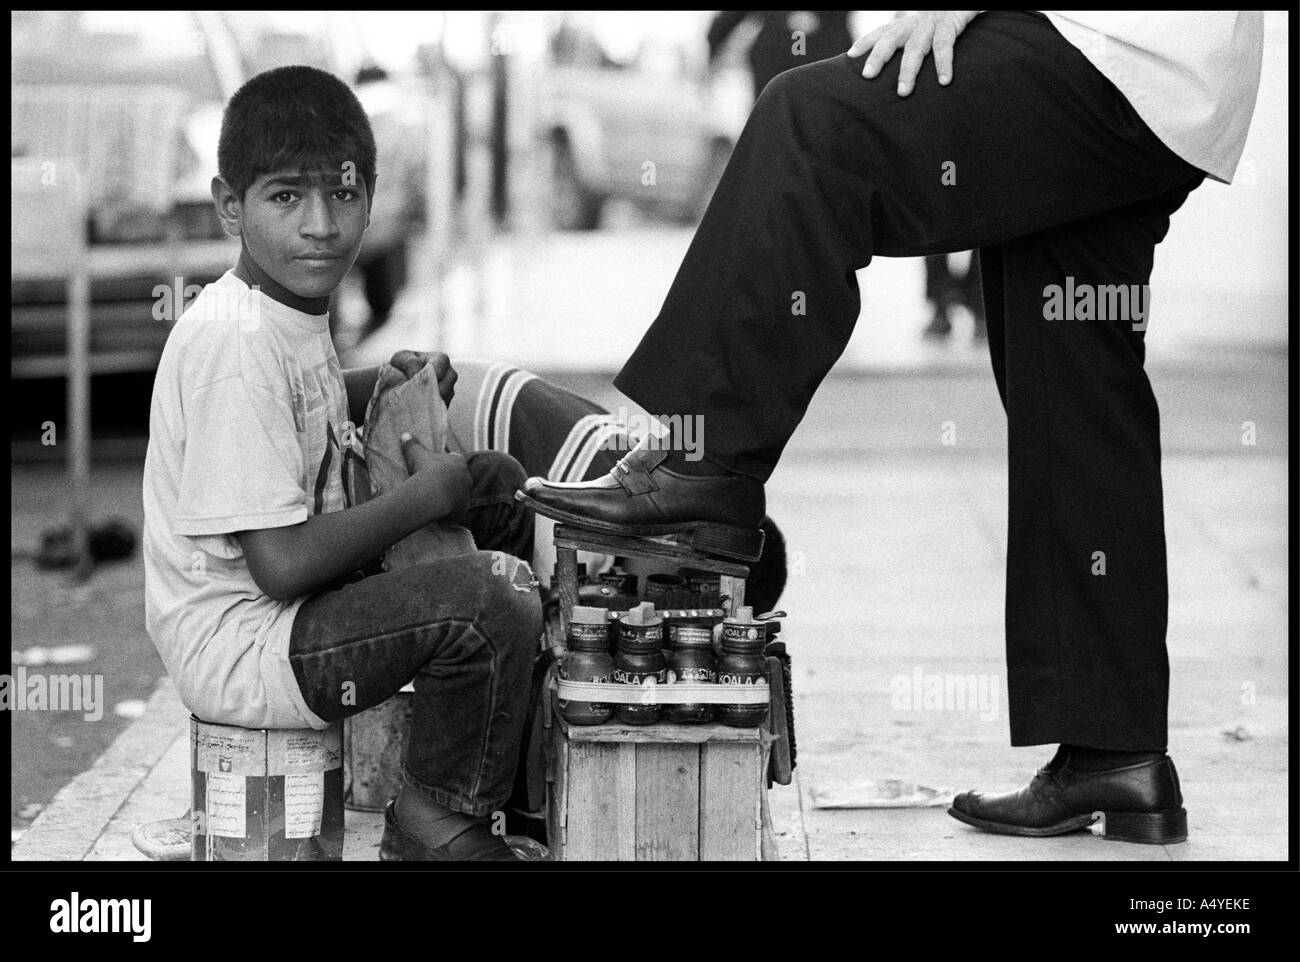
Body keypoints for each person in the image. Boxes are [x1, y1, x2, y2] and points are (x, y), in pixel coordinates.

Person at [519, 11, 1265, 844]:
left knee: (814, 124)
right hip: (1172, 76)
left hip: (1116, 48)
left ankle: (704, 467)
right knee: (1077, 387)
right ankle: (1114, 755)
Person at [142, 65, 541, 861]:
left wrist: (390, 383)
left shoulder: (285, 310)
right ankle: (436, 812)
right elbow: (283, 565)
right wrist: (425, 495)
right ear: (230, 205)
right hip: (247, 644)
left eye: (344, 196)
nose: (321, 225)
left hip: (290, 614)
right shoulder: (235, 343)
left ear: (371, 196)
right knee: (489, 597)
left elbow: (302, 405)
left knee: (496, 486)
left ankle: (506, 765)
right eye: (286, 197)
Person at [443, 359, 788, 615]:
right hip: (422, 436)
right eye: (669, 597)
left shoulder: (643, 471)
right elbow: (553, 602)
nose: (651, 607)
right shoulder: (598, 511)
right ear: (679, 542)